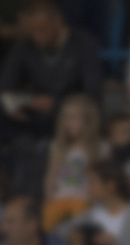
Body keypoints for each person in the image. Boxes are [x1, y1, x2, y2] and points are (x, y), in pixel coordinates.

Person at [0, 0, 102, 142]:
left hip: (70, 113)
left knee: (76, 115)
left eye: (42, 30)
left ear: (58, 21)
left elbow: (92, 93)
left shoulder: (83, 43)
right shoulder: (25, 46)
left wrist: (57, 103)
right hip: (34, 114)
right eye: (32, 31)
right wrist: (17, 103)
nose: (37, 37)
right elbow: (5, 85)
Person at [42, 94, 106, 233]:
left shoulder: (100, 148)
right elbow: (51, 176)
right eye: (66, 118)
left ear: (88, 120)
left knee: (79, 227)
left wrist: (95, 200)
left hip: (83, 199)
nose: (68, 123)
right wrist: (49, 197)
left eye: (74, 118)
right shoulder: (58, 147)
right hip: (59, 199)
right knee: (47, 223)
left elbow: (103, 179)